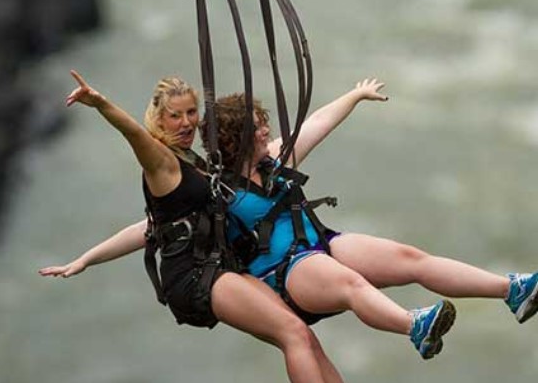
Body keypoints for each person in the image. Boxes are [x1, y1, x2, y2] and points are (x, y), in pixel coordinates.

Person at [39, 70, 354, 383]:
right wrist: (102, 105)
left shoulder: (199, 165)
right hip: (192, 275)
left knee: (302, 335)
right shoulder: (163, 163)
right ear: (159, 119)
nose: (186, 122)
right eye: (174, 116)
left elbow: (147, 230)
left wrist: (85, 259)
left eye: (191, 112)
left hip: (217, 268)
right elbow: (134, 134)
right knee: (292, 333)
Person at [200, 78, 538, 358]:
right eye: (257, 128)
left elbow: (317, 122)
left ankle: (512, 290)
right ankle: (413, 326)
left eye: (263, 124)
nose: (265, 131)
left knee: (411, 259)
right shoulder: (213, 190)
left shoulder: (275, 158)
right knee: (352, 284)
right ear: (236, 139)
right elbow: (152, 226)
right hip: (284, 274)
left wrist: (356, 94)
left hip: (319, 245)